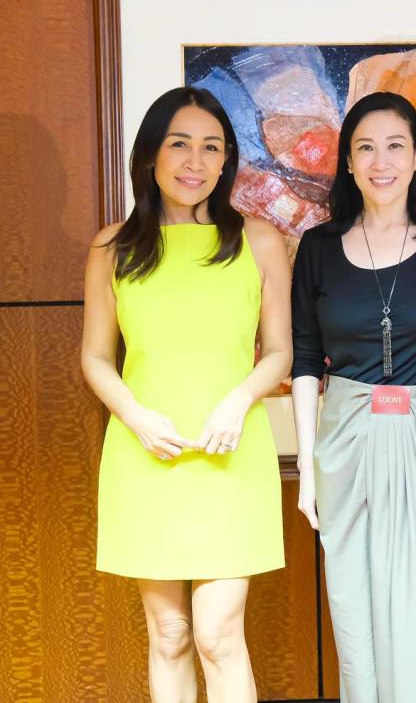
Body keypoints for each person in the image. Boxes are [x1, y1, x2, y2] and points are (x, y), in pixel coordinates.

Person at [82, 86, 291, 703]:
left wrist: (239, 400)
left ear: (227, 161)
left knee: (218, 635)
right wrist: (137, 418)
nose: (195, 162)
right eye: (180, 144)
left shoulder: (259, 241)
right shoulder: (112, 247)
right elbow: (95, 357)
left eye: (211, 147)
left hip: (231, 456)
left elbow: (280, 351)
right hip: (146, 456)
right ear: (151, 154)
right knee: (169, 634)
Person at [290, 91, 416, 702]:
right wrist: (306, 468)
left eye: (396, 146)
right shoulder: (319, 248)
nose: (382, 162)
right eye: (366, 148)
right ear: (348, 161)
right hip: (344, 438)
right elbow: (305, 362)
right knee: (355, 610)